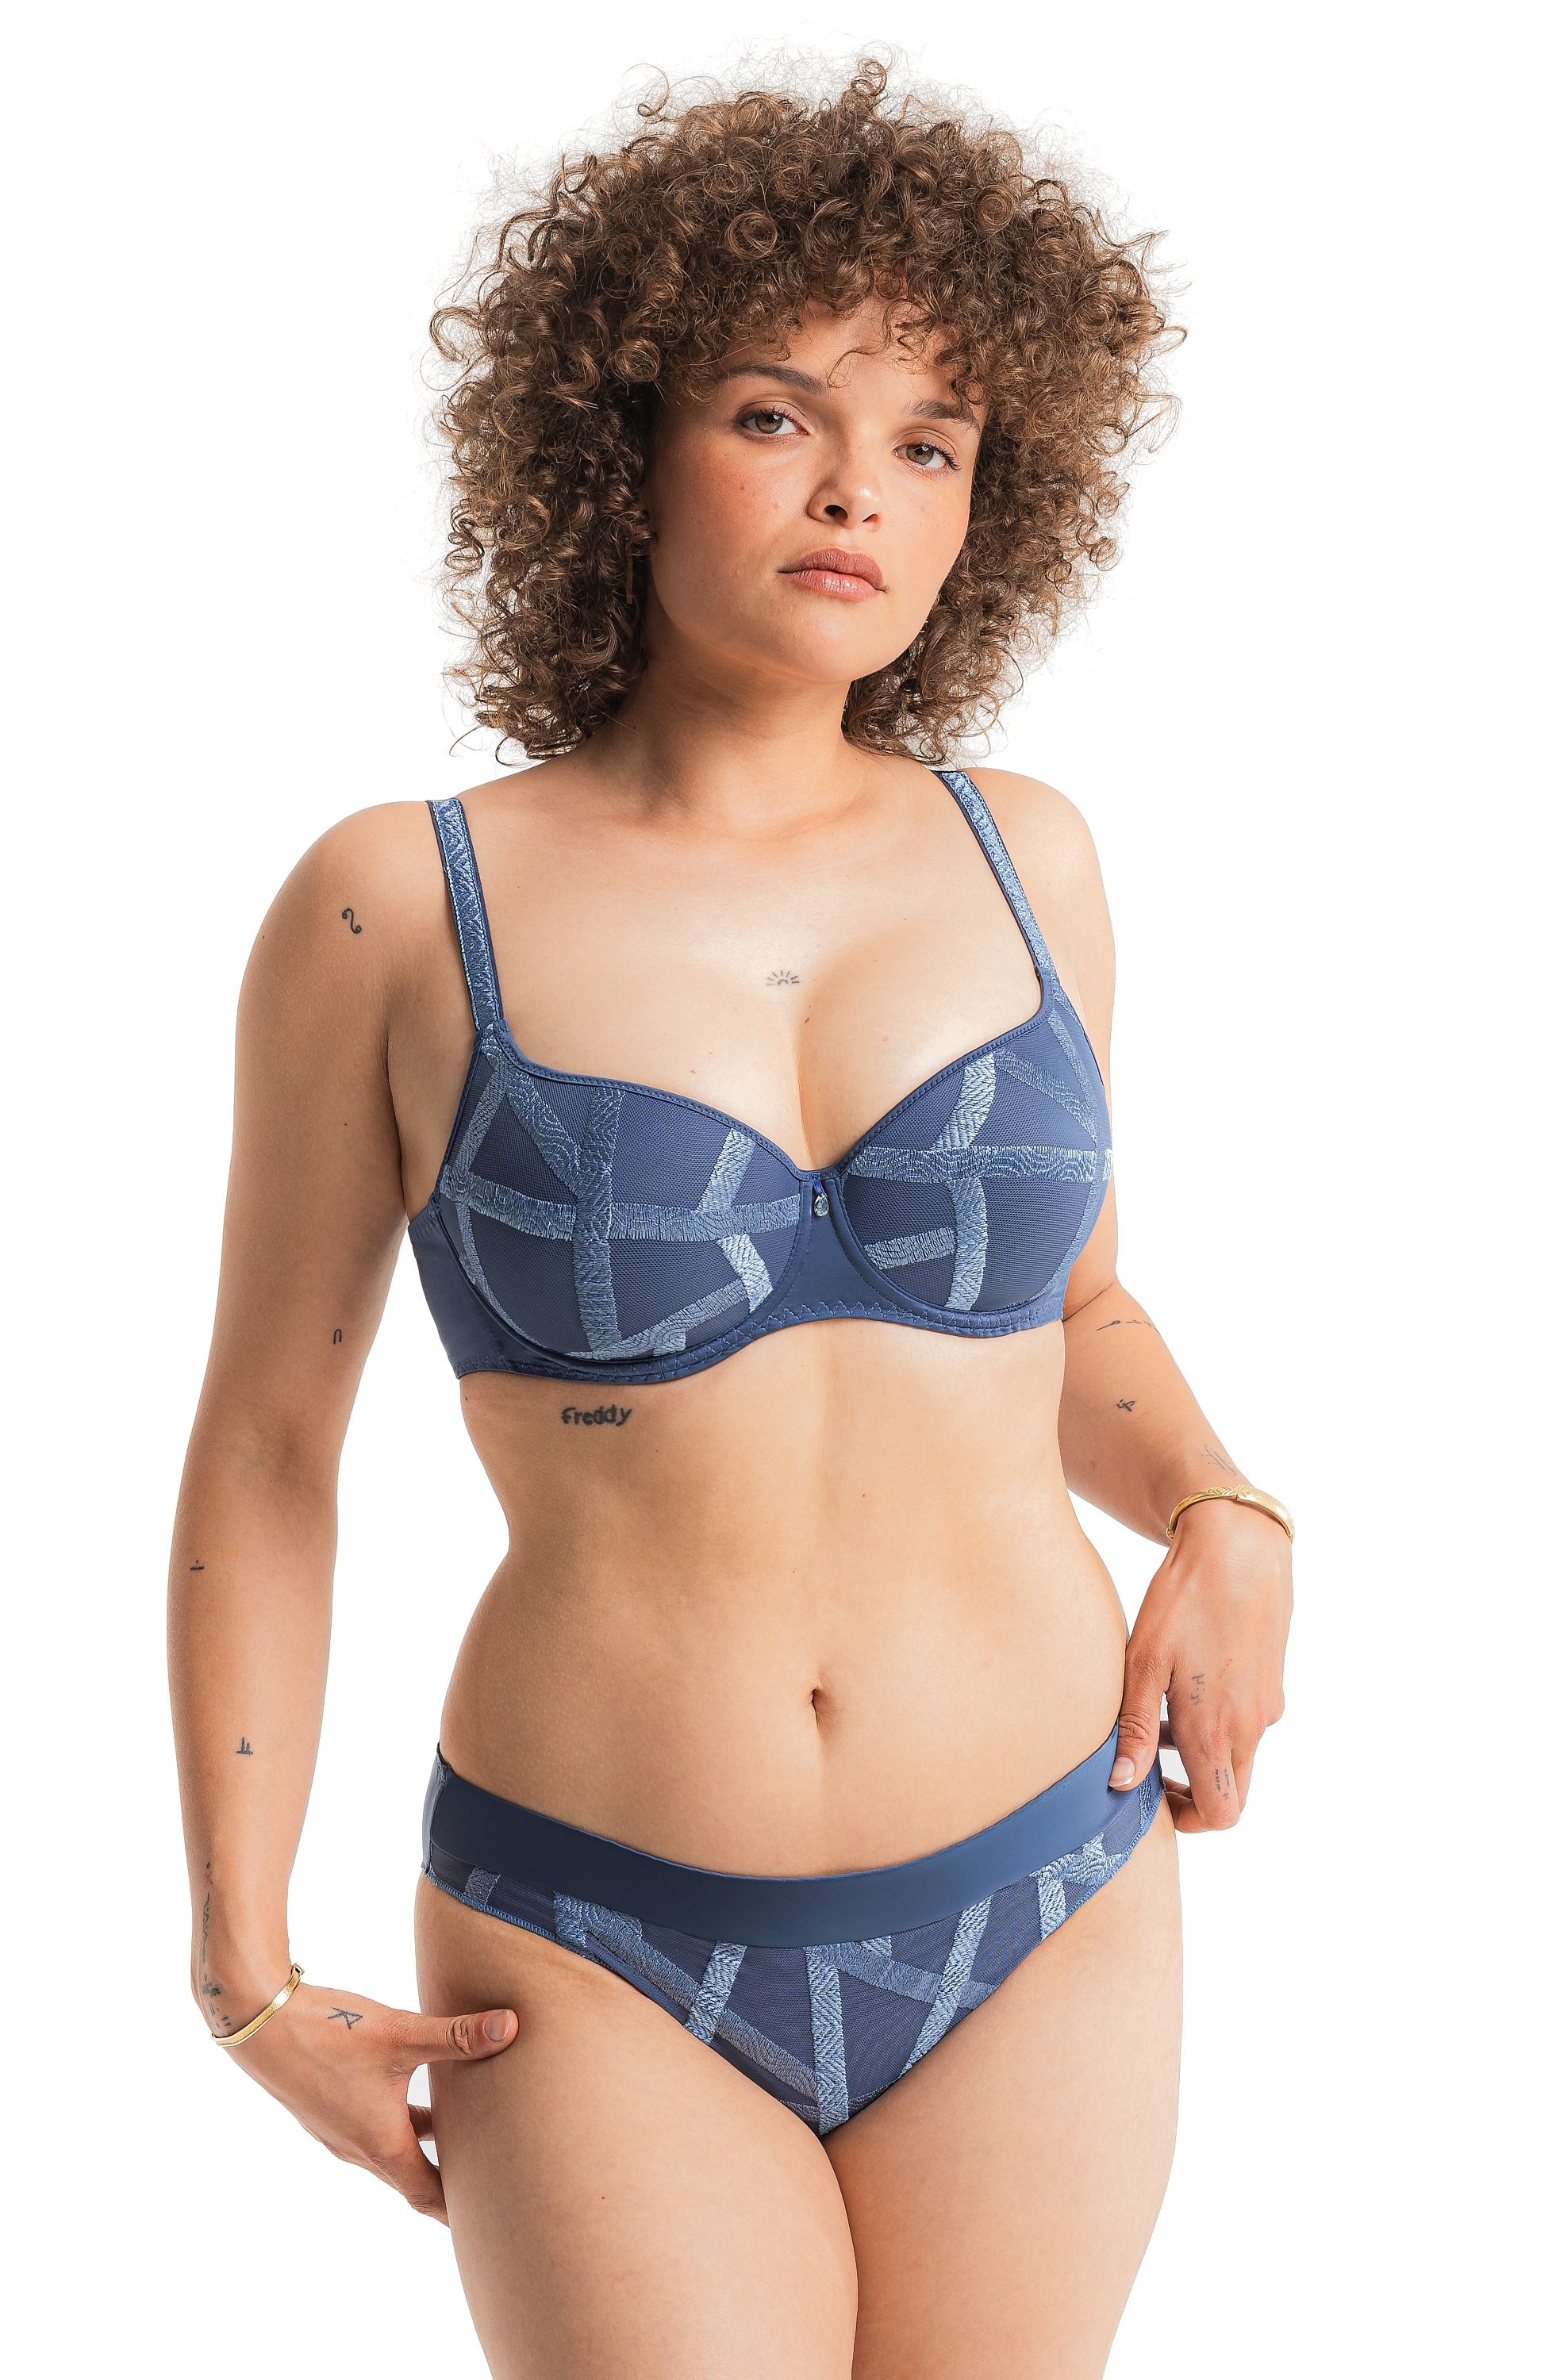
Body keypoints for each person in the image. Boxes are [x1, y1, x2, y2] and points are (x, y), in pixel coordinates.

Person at [169, 61, 1293, 2378]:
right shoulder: (399, 905)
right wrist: (242, 1966)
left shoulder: (1029, 856)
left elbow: (1069, 1310)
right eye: (780, 416)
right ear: (619, 444)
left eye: (929, 443)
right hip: (595, 1935)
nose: (858, 490)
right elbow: (269, 1447)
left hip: (1046, 1881)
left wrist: (1223, 1506)